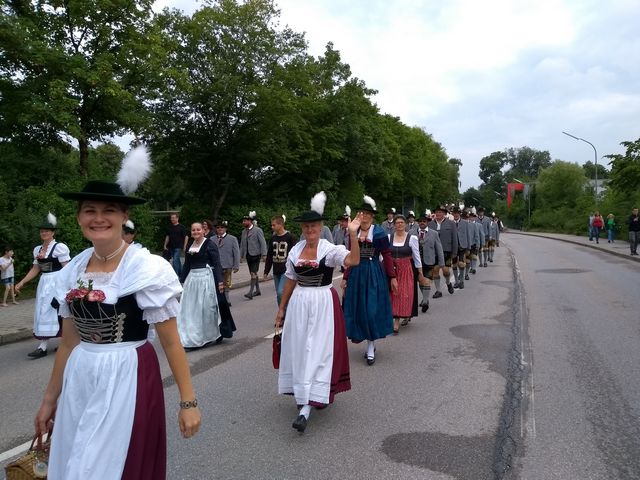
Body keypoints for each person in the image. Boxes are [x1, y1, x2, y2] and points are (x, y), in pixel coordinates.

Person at [40, 157, 200, 479]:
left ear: (124, 217)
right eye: (90, 211)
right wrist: (48, 400)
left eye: (108, 211)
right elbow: (69, 344)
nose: (98, 219)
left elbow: (170, 342)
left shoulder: (144, 268)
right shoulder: (72, 270)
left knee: (108, 466)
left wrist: (188, 402)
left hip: (128, 374)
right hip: (81, 376)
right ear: (79, 217)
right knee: (76, 459)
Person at [275, 192, 361, 434]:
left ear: (320, 227)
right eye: (306, 226)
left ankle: (306, 406)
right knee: (300, 348)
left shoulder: (330, 248)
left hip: (323, 301)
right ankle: (306, 394)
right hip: (300, 302)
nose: (309, 229)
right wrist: (281, 309)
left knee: (319, 350)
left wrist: (353, 234)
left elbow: (353, 261)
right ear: (302, 228)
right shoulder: (296, 250)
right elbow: (290, 280)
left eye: (313, 225)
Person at [341, 195, 396, 366]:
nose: (363, 216)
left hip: (373, 273)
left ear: (372, 217)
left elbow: (386, 255)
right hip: (357, 272)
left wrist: (392, 276)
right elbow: (350, 256)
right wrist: (345, 277)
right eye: (361, 213)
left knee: (372, 309)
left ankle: (371, 344)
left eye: (367, 214)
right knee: (359, 309)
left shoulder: (379, 232)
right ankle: (365, 339)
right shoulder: (353, 232)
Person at [15, 214, 71, 359]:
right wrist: (22, 282)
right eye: (42, 231)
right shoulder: (38, 249)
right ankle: (44, 345)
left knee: (56, 311)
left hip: (57, 281)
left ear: (53, 232)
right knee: (43, 311)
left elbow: (67, 268)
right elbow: (36, 269)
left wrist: (67, 286)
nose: (44, 233)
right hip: (44, 282)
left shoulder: (60, 247)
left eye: (46, 231)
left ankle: (58, 343)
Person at [177, 222, 226, 348]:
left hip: (205, 279)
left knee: (206, 309)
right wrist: (181, 280)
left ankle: (212, 333)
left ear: (203, 231)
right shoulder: (189, 245)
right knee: (191, 309)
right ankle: (194, 337)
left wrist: (220, 281)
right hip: (192, 280)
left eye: (198, 230)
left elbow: (217, 263)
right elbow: (187, 264)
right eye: (193, 230)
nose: (196, 232)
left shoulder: (210, 244)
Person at [388, 215, 425, 333]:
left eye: (401, 222)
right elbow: (384, 255)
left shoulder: (412, 238)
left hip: (406, 269)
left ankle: (397, 321)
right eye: (397, 223)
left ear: (405, 224)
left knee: (403, 294)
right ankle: (396, 317)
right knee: (393, 293)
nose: (399, 225)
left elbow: (416, 256)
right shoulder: (389, 237)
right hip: (392, 269)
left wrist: (420, 273)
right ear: (394, 225)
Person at [264, 215, 297, 306]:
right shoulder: (273, 238)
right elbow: (270, 255)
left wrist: (296, 268)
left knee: (280, 292)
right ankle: (281, 313)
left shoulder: (290, 237)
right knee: (279, 295)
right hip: (276, 270)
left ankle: (286, 312)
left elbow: (295, 254)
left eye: (274, 225)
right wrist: (266, 271)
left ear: (281, 224)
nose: (272, 227)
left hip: (286, 270)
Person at [416, 211, 444, 313]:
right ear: (418, 222)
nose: (422, 223)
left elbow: (439, 248)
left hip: (429, 261)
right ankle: (424, 298)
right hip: (416, 262)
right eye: (420, 221)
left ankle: (425, 301)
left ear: (427, 222)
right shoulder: (411, 232)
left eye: (424, 221)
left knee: (427, 280)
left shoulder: (434, 233)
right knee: (420, 281)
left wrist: (441, 263)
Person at [429, 205, 458, 297]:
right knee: (435, 270)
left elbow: (454, 238)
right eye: (437, 212)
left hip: (446, 250)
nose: (438, 214)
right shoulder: (430, 224)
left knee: (446, 271)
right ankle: (438, 291)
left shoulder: (451, 223)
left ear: (444, 214)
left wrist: (454, 252)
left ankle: (448, 283)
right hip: (434, 251)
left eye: (440, 212)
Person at [239, 211, 267, 299]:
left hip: (256, 254)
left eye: (245, 221)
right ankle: (258, 290)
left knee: (253, 273)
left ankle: (250, 292)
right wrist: (241, 255)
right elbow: (242, 244)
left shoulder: (257, 230)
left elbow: (262, 242)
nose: (243, 222)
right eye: (243, 221)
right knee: (253, 273)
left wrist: (264, 254)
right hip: (248, 255)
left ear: (250, 221)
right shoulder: (244, 231)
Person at [215, 220, 240, 305]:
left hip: (227, 264)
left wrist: (236, 265)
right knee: (218, 282)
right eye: (218, 228)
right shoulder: (212, 239)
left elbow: (236, 252)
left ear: (225, 228)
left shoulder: (232, 239)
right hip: (216, 265)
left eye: (222, 227)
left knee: (226, 282)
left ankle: (227, 298)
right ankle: (219, 299)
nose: (220, 229)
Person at [452, 207, 471, 289]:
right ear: (452, 214)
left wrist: (469, 247)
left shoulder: (465, 223)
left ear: (459, 214)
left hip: (462, 246)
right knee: (454, 265)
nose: (456, 214)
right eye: (454, 213)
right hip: (453, 247)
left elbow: (468, 235)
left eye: (457, 213)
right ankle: (456, 281)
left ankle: (462, 281)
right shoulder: (450, 223)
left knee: (461, 263)